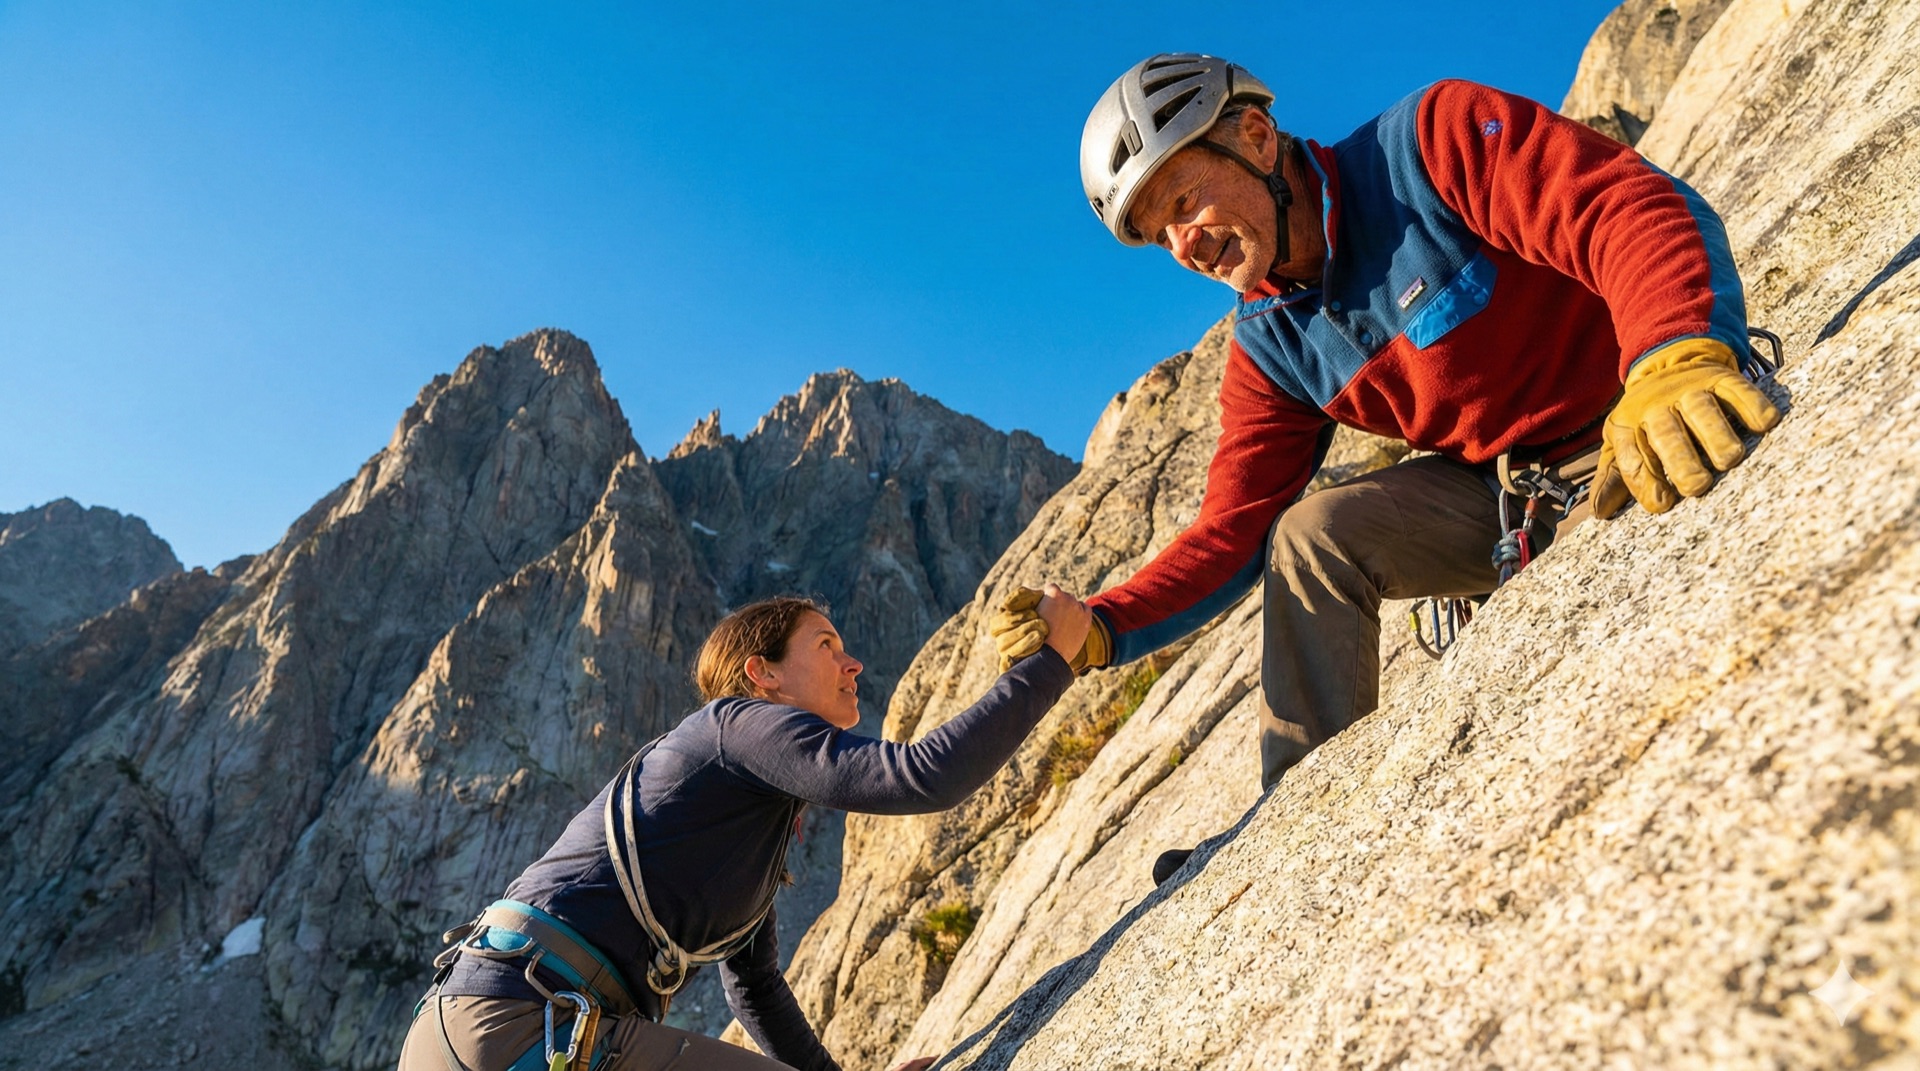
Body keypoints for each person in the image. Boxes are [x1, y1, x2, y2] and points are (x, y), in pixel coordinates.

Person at [993, 54, 1780, 881]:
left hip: (1630, 419)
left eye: (1184, 201)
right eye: (1160, 234)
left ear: (1256, 137)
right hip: (1504, 497)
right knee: (1310, 536)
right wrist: (1100, 626)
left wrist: (1677, 351)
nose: (1184, 245)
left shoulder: (1428, 147)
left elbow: (1619, 207)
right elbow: (1233, 531)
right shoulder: (1272, 341)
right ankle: (1300, 822)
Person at [401, 589, 1089, 1071]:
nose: (853, 664)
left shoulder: (732, 800)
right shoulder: (739, 724)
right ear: (763, 674)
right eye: (827, 645)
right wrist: (1053, 658)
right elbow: (921, 776)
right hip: (521, 1027)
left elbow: (752, 984)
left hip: (486, 1030)